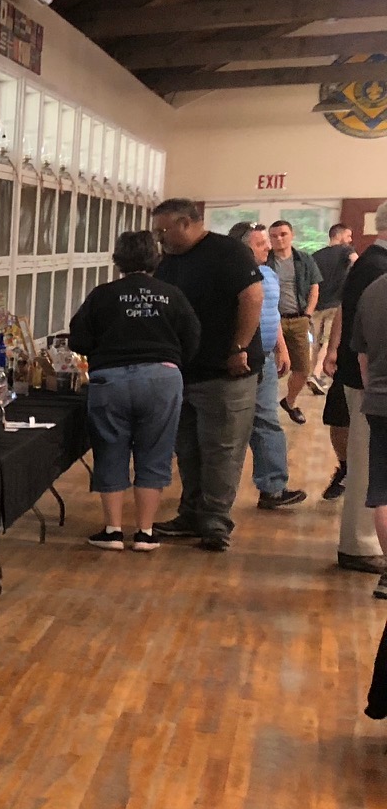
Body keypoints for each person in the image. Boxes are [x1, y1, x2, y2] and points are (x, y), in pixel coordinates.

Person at [67, 229, 201, 550]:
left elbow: (78, 339)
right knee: (155, 452)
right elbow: (193, 337)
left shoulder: (102, 295)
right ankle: (145, 533)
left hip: (110, 380)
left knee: (110, 450)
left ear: (118, 260)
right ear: (156, 258)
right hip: (161, 379)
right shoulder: (172, 294)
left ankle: (112, 531)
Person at [153, 199, 265, 551]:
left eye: (163, 230)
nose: (159, 238)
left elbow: (253, 298)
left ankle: (215, 522)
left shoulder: (228, 252)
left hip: (225, 371)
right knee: (188, 450)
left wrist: (239, 347)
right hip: (184, 371)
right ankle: (190, 515)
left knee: (222, 451)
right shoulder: (169, 260)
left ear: (185, 223)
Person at [230, 221, 304, 511]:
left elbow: (273, 313)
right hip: (242, 360)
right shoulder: (231, 277)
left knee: (268, 421)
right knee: (232, 428)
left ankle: (273, 488)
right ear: (244, 248)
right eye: (261, 244)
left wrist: (281, 348)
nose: (268, 248)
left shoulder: (270, 274)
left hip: (267, 359)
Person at [329, 203, 387, 572]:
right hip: (370, 381)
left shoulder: (371, 262)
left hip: (368, 378)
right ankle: (361, 545)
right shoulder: (377, 267)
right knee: (368, 468)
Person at [267, 220, 317, 422]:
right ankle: (266, 407)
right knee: (271, 368)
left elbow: (314, 286)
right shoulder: (265, 261)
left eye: (283, 234)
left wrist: (308, 314)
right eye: (274, 235)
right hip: (272, 320)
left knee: (303, 369)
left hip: (297, 319)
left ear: (291, 235)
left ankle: (290, 401)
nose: (279, 239)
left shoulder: (303, 259)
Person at [312, 223, 356, 394]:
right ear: (339, 235)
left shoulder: (316, 255)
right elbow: (357, 261)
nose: (350, 239)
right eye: (348, 235)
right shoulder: (346, 250)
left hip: (316, 305)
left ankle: (314, 374)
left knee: (315, 343)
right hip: (335, 304)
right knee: (328, 341)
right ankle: (315, 375)